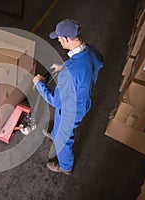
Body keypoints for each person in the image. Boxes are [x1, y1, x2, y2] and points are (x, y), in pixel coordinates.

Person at [33, 19, 103, 175]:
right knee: (59, 124)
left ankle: (66, 166)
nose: (58, 40)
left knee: (63, 140)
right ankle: (56, 133)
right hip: (83, 98)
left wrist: (38, 83)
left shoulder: (70, 72)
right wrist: (64, 66)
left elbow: (54, 100)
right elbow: (95, 64)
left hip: (71, 109)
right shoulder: (91, 50)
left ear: (65, 38)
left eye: (58, 37)